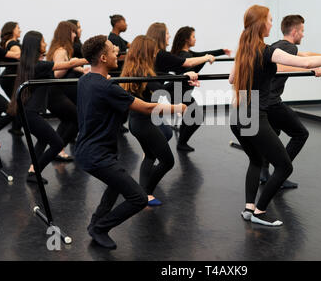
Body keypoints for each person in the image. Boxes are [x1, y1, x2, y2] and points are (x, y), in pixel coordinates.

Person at [230, 5, 321, 226]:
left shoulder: (244, 51)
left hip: (237, 117)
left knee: (256, 159)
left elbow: (231, 79)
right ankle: (259, 212)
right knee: (285, 166)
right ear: (260, 24)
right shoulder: (268, 51)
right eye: (269, 20)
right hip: (255, 116)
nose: (271, 24)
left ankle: (249, 208)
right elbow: (305, 62)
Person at [75, 35, 186, 249]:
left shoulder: (85, 80)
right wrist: (177, 108)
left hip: (91, 150)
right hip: (96, 155)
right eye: (112, 49)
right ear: (104, 57)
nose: (117, 51)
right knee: (138, 198)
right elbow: (144, 108)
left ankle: (96, 221)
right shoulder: (107, 88)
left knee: (115, 185)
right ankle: (100, 227)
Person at [120, 35, 198, 206]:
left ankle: (144, 193)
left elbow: (161, 79)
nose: (155, 55)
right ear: (146, 53)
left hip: (137, 122)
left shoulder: (135, 70)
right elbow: (162, 90)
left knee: (149, 156)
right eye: (153, 52)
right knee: (167, 161)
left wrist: (184, 77)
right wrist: (183, 84)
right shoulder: (144, 74)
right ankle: (144, 193)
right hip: (145, 124)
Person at [7, 31, 87, 184]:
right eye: (43, 41)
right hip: (31, 114)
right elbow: (69, 64)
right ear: (37, 46)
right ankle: (35, 172)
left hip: (29, 112)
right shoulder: (40, 66)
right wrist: (91, 58)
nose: (46, 44)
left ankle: (32, 172)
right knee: (57, 143)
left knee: (43, 140)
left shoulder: (31, 64)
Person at [259, 15, 321, 188]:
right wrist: (311, 68)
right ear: (295, 31)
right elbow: (282, 67)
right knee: (300, 134)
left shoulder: (278, 45)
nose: (303, 35)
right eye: (302, 31)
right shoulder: (289, 47)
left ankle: (263, 171)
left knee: (274, 133)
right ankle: (279, 174)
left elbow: (307, 55)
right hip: (271, 102)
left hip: (262, 101)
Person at [146, 22, 216, 151]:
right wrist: (206, 58)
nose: (169, 36)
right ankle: (181, 143)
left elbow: (162, 74)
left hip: (158, 96)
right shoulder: (160, 54)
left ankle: (181, 143)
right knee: (162, 140)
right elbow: (187, 62)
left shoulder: (158, 54)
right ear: (160, 36)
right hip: (154, 100)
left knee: (171, 130)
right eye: (167, 33)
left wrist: (186, 76)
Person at [170, 26, 231, 151]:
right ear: (187, 39)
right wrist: (204, 60)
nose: (195, 39)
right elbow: (190, 68)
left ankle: (181, 142)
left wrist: (221, 51)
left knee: (189, 117)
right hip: (178, 92)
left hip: (181, 92)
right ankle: (182, 143)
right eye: (193, 37)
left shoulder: (188, 54)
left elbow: (203, 54)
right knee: (197, 117)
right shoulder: (184, 55)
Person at [46, 21, 86, 161]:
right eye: (73, 31)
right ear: (67, 33)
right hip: (55, 93)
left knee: (68, 120)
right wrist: (71, 64)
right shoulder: (61, 50)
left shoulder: (61, 49)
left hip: (57, 93)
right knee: (77, 119)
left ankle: (58, 149)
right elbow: (57, 73)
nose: (75, 34)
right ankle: (57, 148)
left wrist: (73, 65)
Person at [0, 21, 23, 136]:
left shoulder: (11, 43)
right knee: (16, 105)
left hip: (9, 78)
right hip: (10, 79)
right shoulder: (13, 43)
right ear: (12, 30)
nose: (20, 30)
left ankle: (16, 127)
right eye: (18, 28)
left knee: (18, 104)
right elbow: (20, 56)